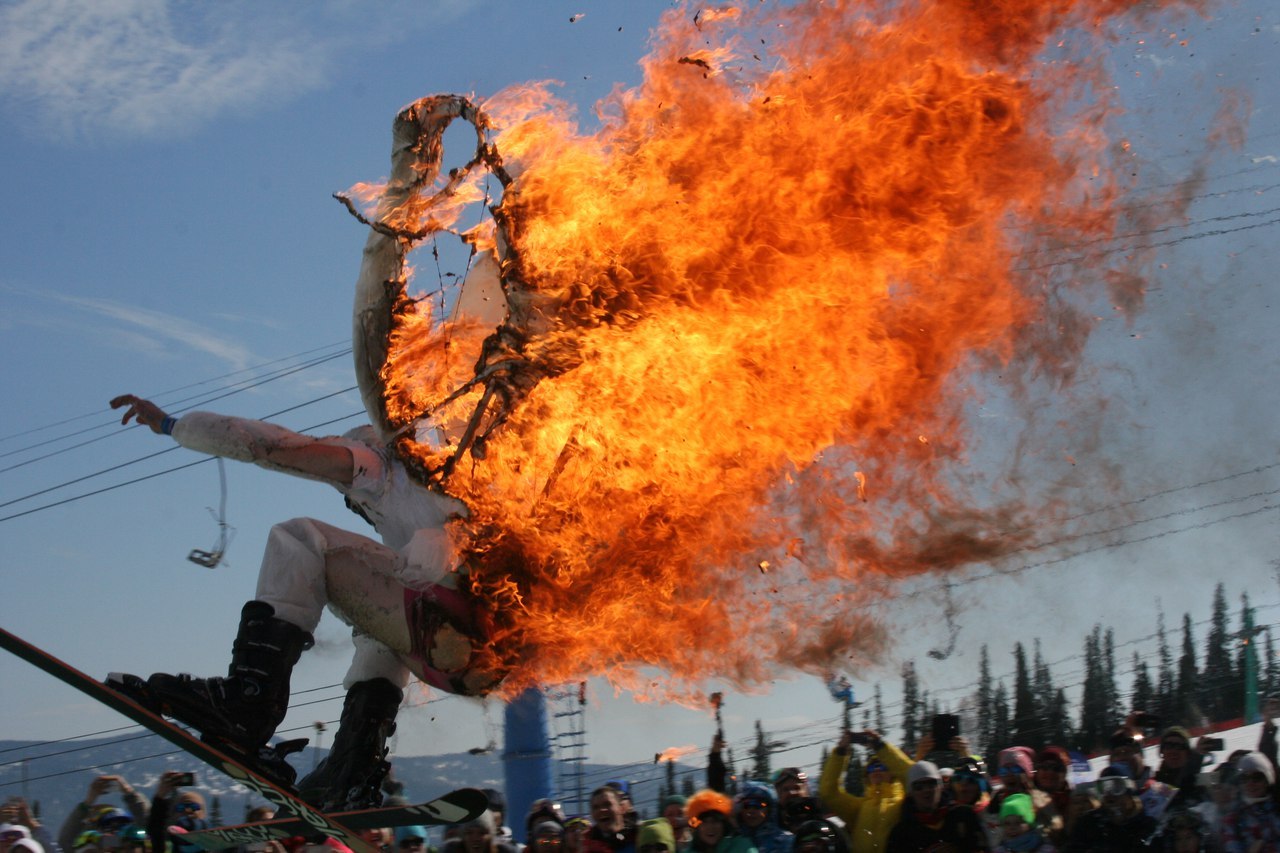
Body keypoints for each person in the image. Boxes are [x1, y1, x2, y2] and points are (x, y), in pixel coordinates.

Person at [106, 392, 504, 808]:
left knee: (299, 539)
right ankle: (354, 766)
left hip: (446, 621)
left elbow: (269, 444)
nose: (356, 504)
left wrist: (173, 425)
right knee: (374, 627)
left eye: (350, 497)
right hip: (476, 660)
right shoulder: (466, 484)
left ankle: (249, 703)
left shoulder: (379, 467)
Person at [817, 729, 912, 853]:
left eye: (882, 766)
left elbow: (912, 776)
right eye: (872, 767)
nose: (877, 770)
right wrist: (840, 753)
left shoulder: (905, 804)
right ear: (867, 776)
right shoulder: (859, 808)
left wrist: (880, 746)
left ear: (893, 773)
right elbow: (828, 792)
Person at [885, 761, 988, 852]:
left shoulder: (963, 815)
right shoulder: (902, 833)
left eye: (931, 784)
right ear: (910, 793)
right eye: (919, 787)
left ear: (941, 787)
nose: (926, 790)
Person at [1060, 765, 1157, 852]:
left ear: (1129, 791)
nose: (1109, 795)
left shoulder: (1147, 826)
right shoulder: (1089, 823)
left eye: (1117, 787)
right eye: (1103, 789)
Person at [58, 777, 148, 853]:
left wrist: (88, 802)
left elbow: (150, 826)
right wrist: (129, 793)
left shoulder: (139, 840)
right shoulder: (94, 843)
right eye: (109, 829)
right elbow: (65, 843)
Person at [1220, 751, 1280, 852]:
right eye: (1244, 778)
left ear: (1267, 780)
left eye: (1257, 778)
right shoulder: (1234, 819)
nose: (1250, 783)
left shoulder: (1276, 809)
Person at [147, 774, 210, 853]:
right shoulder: (165, 846)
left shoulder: (215, 845)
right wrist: (160, 795)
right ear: (175, 814)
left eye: (194, 807)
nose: (187, 811)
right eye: (182, 807)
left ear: (203, 813)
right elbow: (156, 826)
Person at [684, 791, 756, 853]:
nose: (710, 827)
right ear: (697, 827)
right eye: (704, 822)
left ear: (724, 824)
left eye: (715, 821)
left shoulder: (742, 847)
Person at [732, 782, 792, 853]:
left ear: (770, 809)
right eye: (746, 805)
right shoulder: (731, 843)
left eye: (759, 805)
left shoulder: (786, 841)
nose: (751, 811)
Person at [585, 787, 635, 853]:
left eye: (607, 804)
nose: (602, 810)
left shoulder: (638, 838)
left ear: (621, 808)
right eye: (596, 807)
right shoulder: (586, 846)